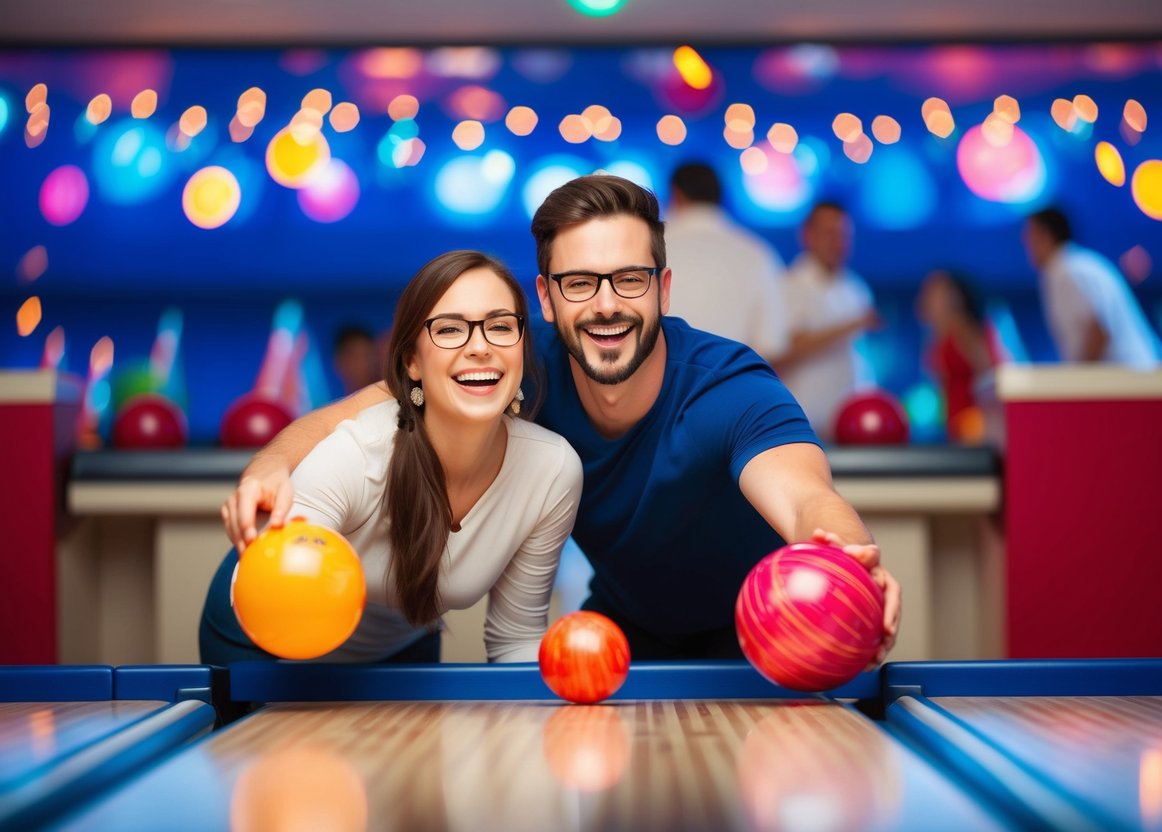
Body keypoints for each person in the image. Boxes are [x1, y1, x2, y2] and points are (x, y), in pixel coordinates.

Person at [221, 175, 901, 662]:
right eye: (579, 283)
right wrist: (272, 464)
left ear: (661, 290)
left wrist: (848, 561)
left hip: (763, 636)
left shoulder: (728, 387)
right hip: (624, 628)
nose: (605, 304)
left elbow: (807, 496)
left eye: (628, 280)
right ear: (546, 298)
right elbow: (374, 406)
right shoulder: (520, 365)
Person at [201, 250, 583, 664]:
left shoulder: (552, 468)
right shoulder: (356, 455)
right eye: (451, 329)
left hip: (402, 646)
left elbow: (516, 640)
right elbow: (277, 593)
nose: (480, 347)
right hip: (266, 639)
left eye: (501, 326)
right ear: (411, 362)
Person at [770, 201, 880, 441]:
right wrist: (852, 324)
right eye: (829, 234)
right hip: (806, 422)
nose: (838, 242)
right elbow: (784, 350)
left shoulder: (856, 288)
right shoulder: (790, 285)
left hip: (852, 421)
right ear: (807, 236)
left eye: (843, 235)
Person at [662, 161, 789, 361]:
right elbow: (771, 345)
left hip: (657, 388)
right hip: (732, 386)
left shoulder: (647, 247)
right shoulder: (758, 254)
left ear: (676, 194)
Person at [1022, 207, 1162, 367]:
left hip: (1127, 381)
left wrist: (1078, 381)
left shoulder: (1067, 270)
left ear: (1045, 236)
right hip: (1133, 375)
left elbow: (1099, 330)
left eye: (1029, 236)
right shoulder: (1077, 264)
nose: (1026, 244)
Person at [915, 269, 996, 442]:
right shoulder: (939, 334)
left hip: (975, 422)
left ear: (953, 297)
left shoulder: (964, 328)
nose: (928, 297)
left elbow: (989, 373)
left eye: (936, 292)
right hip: (955, 421)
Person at [331, 324, 382, 396]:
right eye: (356, 357)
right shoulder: (336, 406)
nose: (364, 363)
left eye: (367, 355)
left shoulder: (392, 397)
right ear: (340, 363)